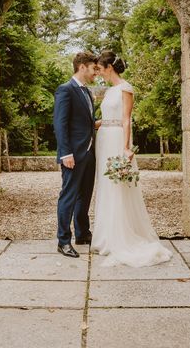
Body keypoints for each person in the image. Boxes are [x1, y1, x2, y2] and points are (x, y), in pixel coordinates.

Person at [91, 50, 172, 267]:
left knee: (117, 186)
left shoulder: (126, 88)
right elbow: (107, 118)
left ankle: (120, 237)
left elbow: (126, 120)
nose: (99, 73)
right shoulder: (109, 91)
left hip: (117, 139)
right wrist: (90, 124)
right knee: (106, 185)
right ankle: (106, 235)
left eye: (100, 68)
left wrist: (125, 148)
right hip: (104, 138)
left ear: (110, 67)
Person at [53, 52, 98, 258]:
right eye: (93, 68)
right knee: (69, 196)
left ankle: (82, 234)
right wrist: (65, 153)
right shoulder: (65, 89)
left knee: (85, 196)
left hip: (89, 153)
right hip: (72, 154)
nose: (95, 72)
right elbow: (60, 124)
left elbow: (86, 122)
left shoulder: (87, 92)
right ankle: (63, 241)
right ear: (82, 67)